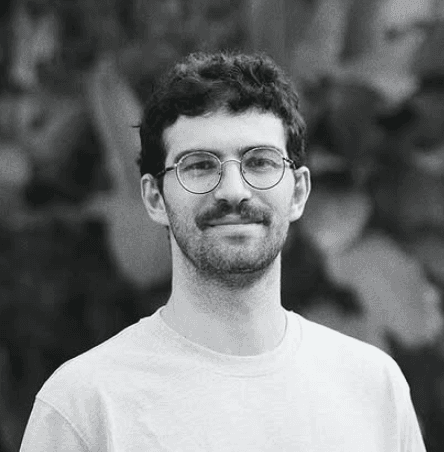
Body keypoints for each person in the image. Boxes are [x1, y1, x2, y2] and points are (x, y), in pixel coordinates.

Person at [20, 50, 426, 451]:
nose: (233, 190)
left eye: (260, 162)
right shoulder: (84, 405)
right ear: (155, 198)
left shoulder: (375, 389)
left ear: (299, 192)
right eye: (199, 165)